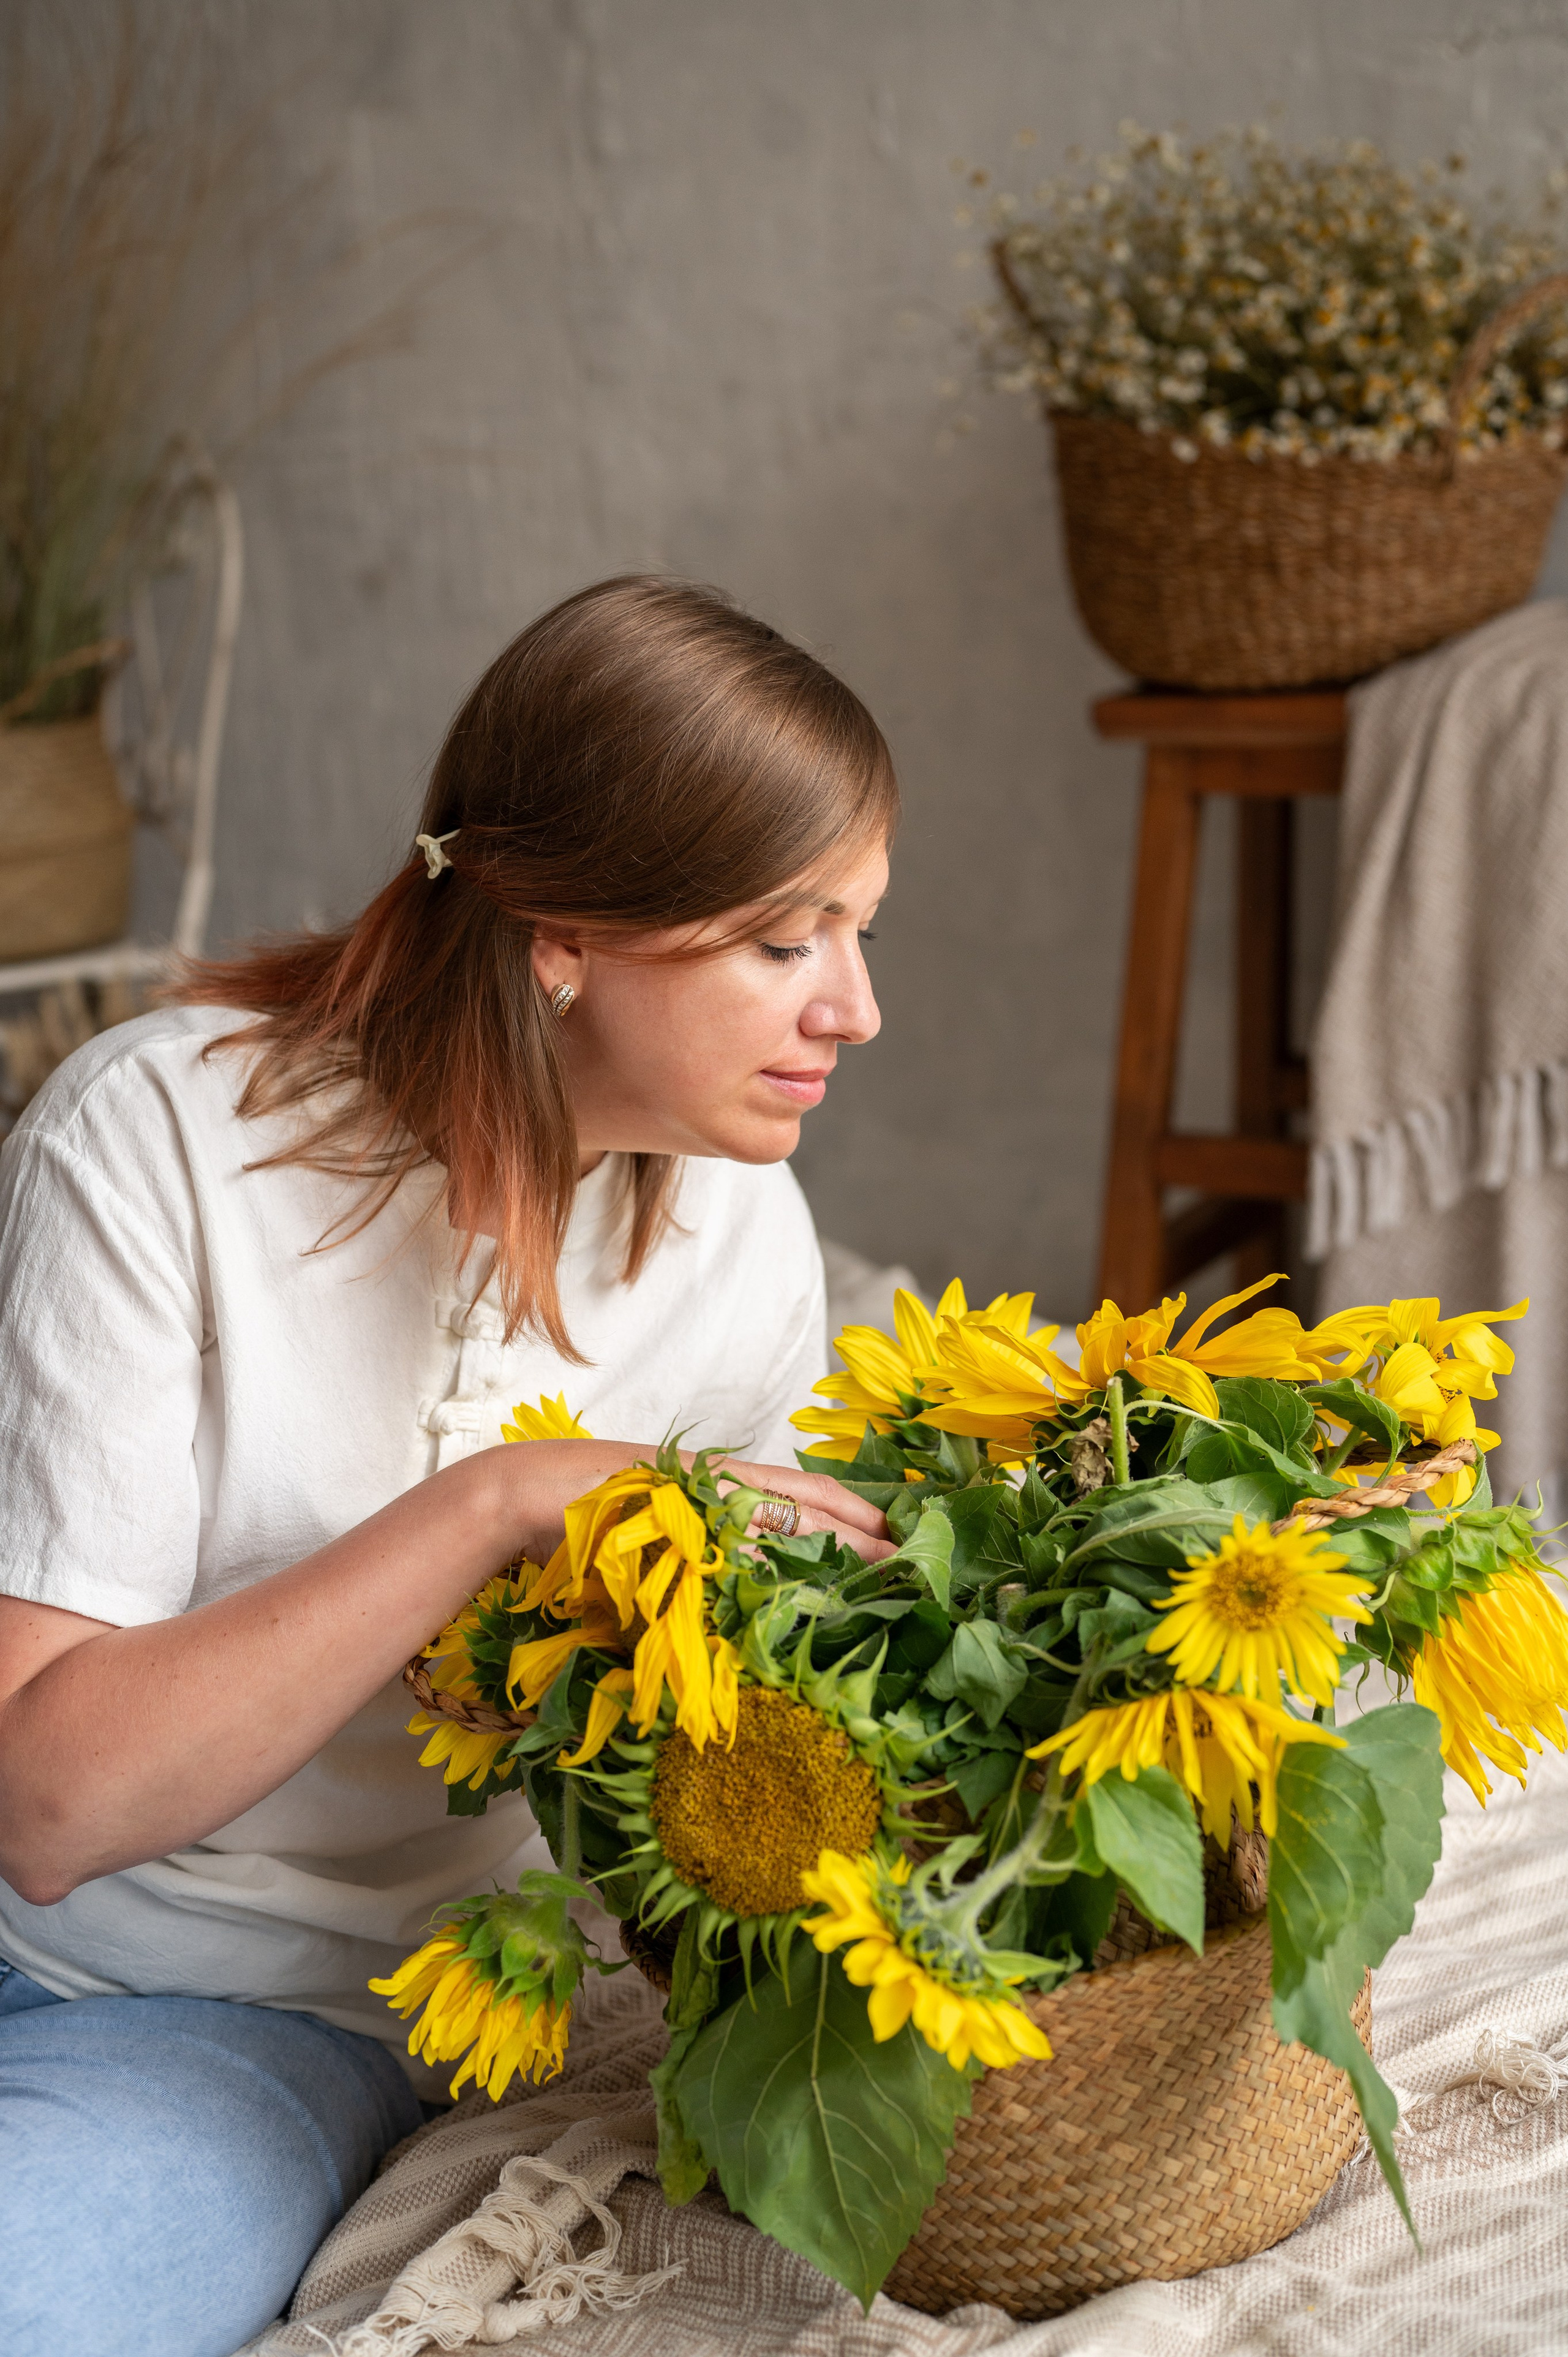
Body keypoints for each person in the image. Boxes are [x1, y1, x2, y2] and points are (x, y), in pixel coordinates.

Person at [0, 576, 895, 2357]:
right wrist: (497, 1501)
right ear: (562, 931)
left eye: (861, 934)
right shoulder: (155, 1133)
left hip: (236, 2021)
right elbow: (48, 1807)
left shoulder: (745, 1246)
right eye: (784, 942)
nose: (853, 1011)